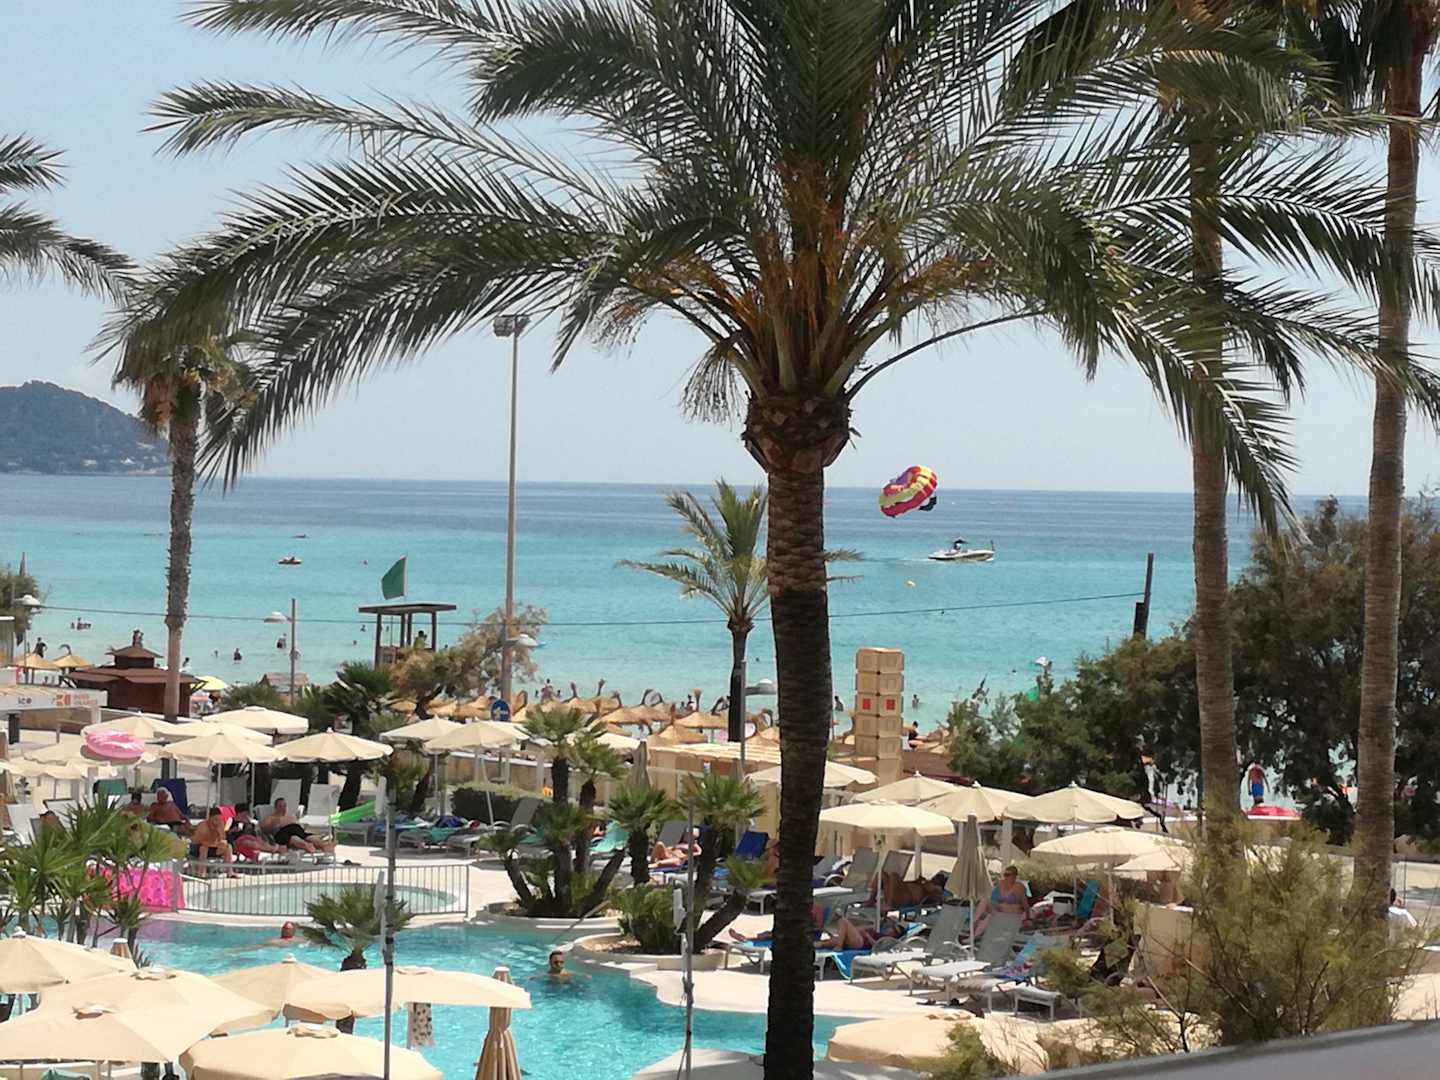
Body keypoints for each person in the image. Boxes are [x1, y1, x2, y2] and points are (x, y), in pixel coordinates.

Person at [262, 798, 335, 854]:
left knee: (308, 837)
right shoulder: (271, 817)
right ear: (275, 808)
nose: (283, 808)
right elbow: (264, 828)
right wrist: (275, 823)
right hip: (283, 834)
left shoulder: (291, 816)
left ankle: (323, 845)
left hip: (298, 831)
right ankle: (307, 845)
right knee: (294, 838)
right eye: (280, 806)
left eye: (284, 806)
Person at [190, 807, 237, 873]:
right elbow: (199, 842)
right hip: (197, 848)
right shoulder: (203, 826)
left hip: (213, 847)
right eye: (215, 819)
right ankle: (201, 872)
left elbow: (223, 839)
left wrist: (221, 836)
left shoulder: (220, 825)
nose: (217, 822)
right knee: (203, 848)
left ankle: (230, 872)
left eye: (220, 819)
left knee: (228, 847)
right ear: (210, 818)